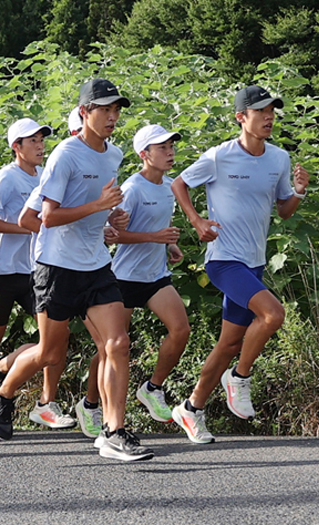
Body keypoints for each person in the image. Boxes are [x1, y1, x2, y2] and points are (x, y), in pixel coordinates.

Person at [0, 79, 155, 461]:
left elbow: (97, 206)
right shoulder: (65, 155)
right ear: (84, 112)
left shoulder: (113, 155)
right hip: (56, 267)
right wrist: (98, 206)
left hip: (96, 264)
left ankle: (114, 431)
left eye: (116, 110)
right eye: (104, 110)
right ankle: (3, 388)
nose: (112, 117)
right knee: (49, 353)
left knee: (117, 344)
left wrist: (112, 216)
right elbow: (46, 217)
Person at [171, 85, 310, 444]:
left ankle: (191, 407)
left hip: (254, 262)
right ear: (241, 117)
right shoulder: (219, 156)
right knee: (273, 315)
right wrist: (197, 221)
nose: (269, 117)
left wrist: (297, 192)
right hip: (223, 259)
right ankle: (240, 378)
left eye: (272, 111)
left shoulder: (278, 158)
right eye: (261, 111)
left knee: (229, 343)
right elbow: (179, 183)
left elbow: (283, 211)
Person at [0, 118, 77, 434]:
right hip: (3, 273)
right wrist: (24, 226)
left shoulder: (47, 177)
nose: (39, 145)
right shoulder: (6, 178)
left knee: (57, 337)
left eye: (41, 139)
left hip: (37, 271)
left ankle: (45, 403)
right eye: (31, 141)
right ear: (16, 147)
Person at [111, 124, 190, 425]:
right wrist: (155, 237)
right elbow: (115, 235)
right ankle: (91, 404)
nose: (170, 153)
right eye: (162, 148)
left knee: (180, 330)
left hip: (156, 275)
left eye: (171, 147)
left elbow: (158, 227)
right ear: (144, 154)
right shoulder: (131, 189)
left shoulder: (169, 186)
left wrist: (171, 244)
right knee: (113, 346)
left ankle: (152, 388)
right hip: (125, 278)